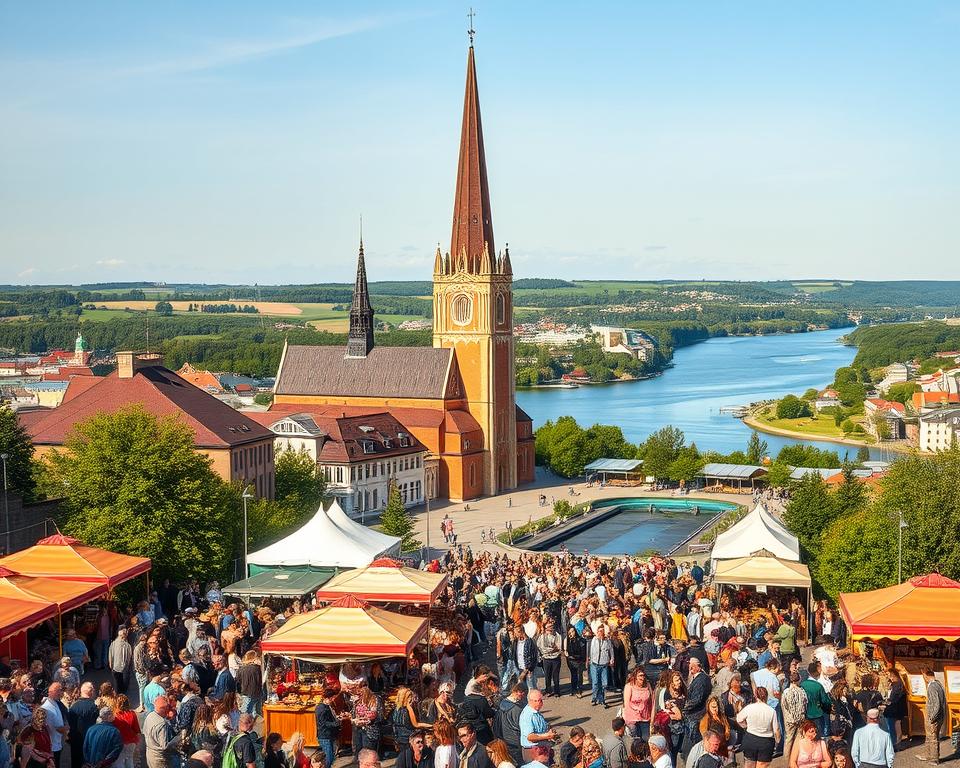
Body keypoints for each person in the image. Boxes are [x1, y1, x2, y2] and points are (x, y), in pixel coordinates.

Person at [736, 687, 781, 768]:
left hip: (750, 739)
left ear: (755, 696)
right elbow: (776, 730)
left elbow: (739, 719)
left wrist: (745, 726)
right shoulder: (771, 711)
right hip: (766, 742)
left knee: (749, 765)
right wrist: (777, 742)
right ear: (766, 696)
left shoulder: (750, 707)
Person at [518, 690, 558, 764]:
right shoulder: (528, 715)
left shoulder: (535, 712)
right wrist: (547, 736)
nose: (541, 703)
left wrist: (549, 731)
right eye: (539, 701)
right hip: (533, 752)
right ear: (532, 701)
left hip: (540, 749)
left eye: (541, 700)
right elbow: (530, 737)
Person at [144, 696, 182, 768]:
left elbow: (144, 732)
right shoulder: (161, 723)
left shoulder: (150, 716)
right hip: (159, 758)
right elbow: (164, 746)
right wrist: (177, 739)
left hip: (149, 753)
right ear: (164, 709)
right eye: (167, 708)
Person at [68, 682, 100, 768]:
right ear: (91, 692)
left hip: (76, 741)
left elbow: (70, 724)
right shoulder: (94, 706)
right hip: (91, 739)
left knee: (76, 762)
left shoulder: (73, 707)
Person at [494, 684, 525, 766]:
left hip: (504, 741)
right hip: (516, 742)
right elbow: (521, 727)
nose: (524, 696)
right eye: (523, 693)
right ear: (518, 692)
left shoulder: (501, 705)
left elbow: (496, 726)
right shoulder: (516, 709)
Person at [781, 673, 810, 758]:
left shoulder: (786, 692)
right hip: (801, 718)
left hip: (789, 720)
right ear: (798, 680)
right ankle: (797, 758)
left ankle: (787, 760)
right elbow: (805, 704)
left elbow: (784, 706)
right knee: (799, 739)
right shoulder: (802, 691)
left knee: (788, 740)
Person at [801, 663, 833, 739]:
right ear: (817, 671)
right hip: (817, 714)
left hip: (805, 714)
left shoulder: (802, 684)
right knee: (817, 736)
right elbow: (825, 701)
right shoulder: (818, 686)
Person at [40, 683, 68, 768]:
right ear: (50, 692)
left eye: (61, 691)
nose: (60, 693)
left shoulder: (55, 702)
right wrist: (68, 729)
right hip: (52, 746)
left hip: (57, 743)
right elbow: (58, 728)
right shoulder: (47, 708)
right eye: (58, 691)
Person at [921, 666, 946, 764]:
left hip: (934, 717)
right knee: (930, 737)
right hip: (938, 716)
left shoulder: (932, 686)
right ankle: (928, 755)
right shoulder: (938, 684)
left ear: (925, 675)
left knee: (933, 738)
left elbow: (936, 703)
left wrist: (932, 717)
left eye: (923, 675)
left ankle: (934, 759)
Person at [111, 695, 140, 768]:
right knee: (129, 759)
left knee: (119, 761)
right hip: (131, 741)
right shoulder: (132, 714)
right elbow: (136, 729)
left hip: (119, 742)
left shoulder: (115, 716)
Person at [314, 689, 341, 768]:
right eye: (332, 698)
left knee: (331, 755)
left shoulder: (327, 706)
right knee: (329, 757)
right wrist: (335, 723)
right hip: (324, 735)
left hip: (329, 734)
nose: (333, 700)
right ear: (328, 698)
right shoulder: (321, 708)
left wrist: (336, 719)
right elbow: (323, 723)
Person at [589, 625, 615, 707]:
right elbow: (591, 650)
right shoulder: (594, 640)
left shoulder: (607, 641)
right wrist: (590, 660)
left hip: (604, 664)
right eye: (600, 631)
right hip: (595, 664)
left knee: (604, 683)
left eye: (603, 631)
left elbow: (611, 650)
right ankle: (594, 698)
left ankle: (602, 699)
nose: (601, 633)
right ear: (597, 632)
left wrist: (612, 659)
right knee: (596, 682)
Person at [537, 620, 563, 697]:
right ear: (545, 628)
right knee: (547, 675)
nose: (550, 629)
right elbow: (541, 648)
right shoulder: (542, 637)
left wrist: (550, 649)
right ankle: (548, 690)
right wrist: (551, 649)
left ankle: (557, 691)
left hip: (556, 658)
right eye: (548, 627)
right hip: (546, 659)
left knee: (556, 676)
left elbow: (558, 647)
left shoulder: (558, 636)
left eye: (552, 627)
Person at [882, 670, 906, 749]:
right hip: (898, 709)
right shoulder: (900, 684)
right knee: (897, 725)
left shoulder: (896, 685)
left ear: (892, 676)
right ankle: (897, 742)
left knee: (892, 726)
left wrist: (886, 702)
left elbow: (893, 698)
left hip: (894, 709)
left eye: (889, 675)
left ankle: (894, 743)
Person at [235, 651, 262, 718]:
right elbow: (261, 681)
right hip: (258, 693)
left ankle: (245, 727)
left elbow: (237, 682)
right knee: (257, 713)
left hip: (246, 693)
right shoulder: (258, 668)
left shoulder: (241, 669)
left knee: (245, 714)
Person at [108, 629, 133, 696]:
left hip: (114, 667)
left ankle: (117, 695)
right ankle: (121, 695)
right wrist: (127, 666)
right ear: (123, 636)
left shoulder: (113, 643)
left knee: (116, 682)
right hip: (123, 667)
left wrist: (110, 664)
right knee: (123, 682)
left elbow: (110, 654)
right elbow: (128, 657)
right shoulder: (127, 645)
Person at [565, 626, 587, 698]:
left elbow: (582, 652)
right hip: (571, 660)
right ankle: (573, 689)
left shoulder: (581, 640)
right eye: (570, 632)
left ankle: (579, 690)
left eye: (573, 631)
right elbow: (567, 651)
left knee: (579, 676)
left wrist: (583, 660)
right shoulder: (568, 640)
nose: (571, 633)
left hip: (579, 660)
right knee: (573, 675)